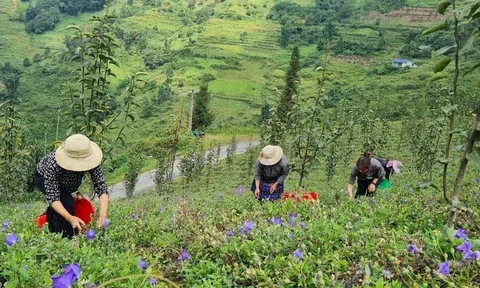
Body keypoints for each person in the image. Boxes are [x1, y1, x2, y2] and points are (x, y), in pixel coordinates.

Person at [34, 134, 109, 238]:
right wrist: (70, 217)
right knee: (66, 202)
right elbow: (53, 198)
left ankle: (49, 224)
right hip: (42, 177)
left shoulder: (90, 157)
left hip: (68, 184)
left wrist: (103, 214)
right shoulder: (53, 164)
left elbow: (102, 187)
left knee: (65, 203)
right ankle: (65, 238)